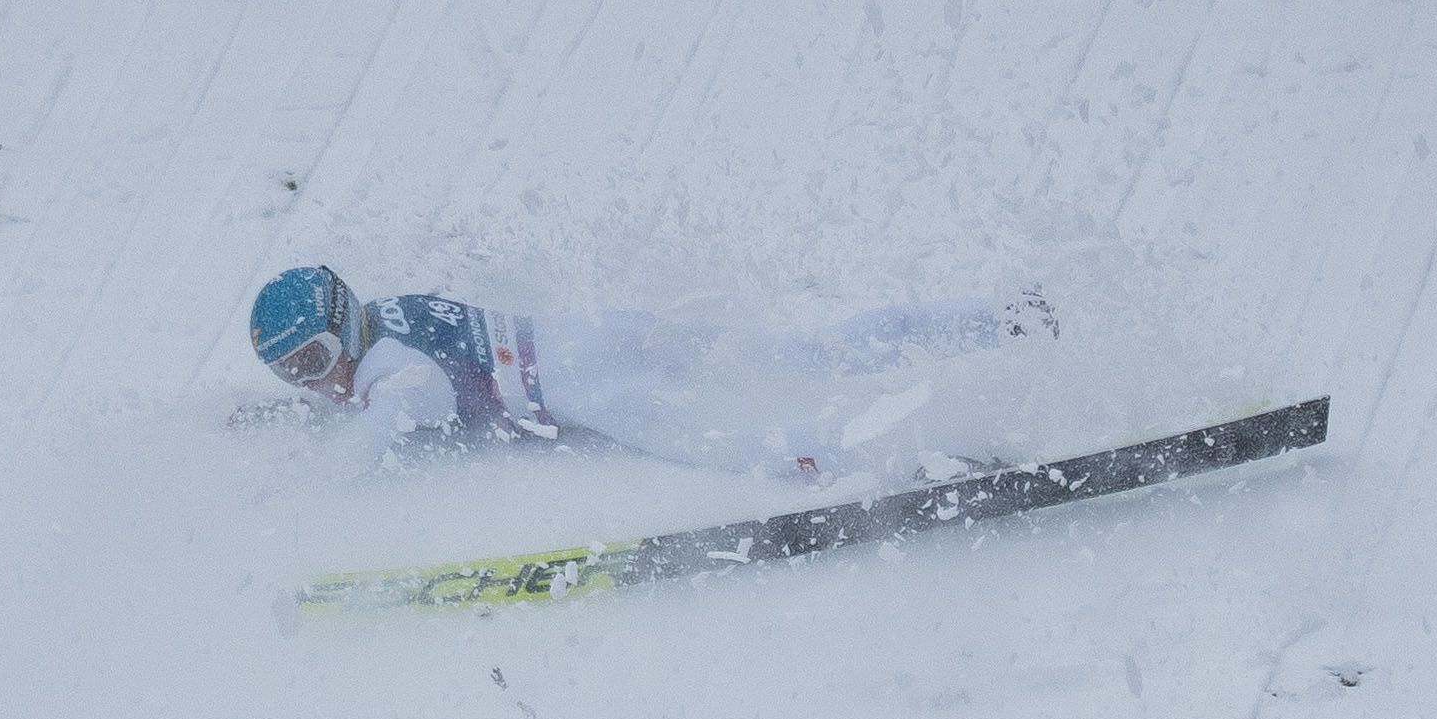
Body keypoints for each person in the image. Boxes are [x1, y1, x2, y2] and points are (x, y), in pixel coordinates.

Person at [246, 265, 1057, 482]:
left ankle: (941, 454)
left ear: (343, 330)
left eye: (315, 360)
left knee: (760, 450)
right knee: (800, 355)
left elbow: (389, 421)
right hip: (599, 335)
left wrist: (297, 499)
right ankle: (1000, 319)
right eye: (294, 375)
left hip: (590, 389)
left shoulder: (393, 373)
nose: (315, 383)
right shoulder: (384, 318)